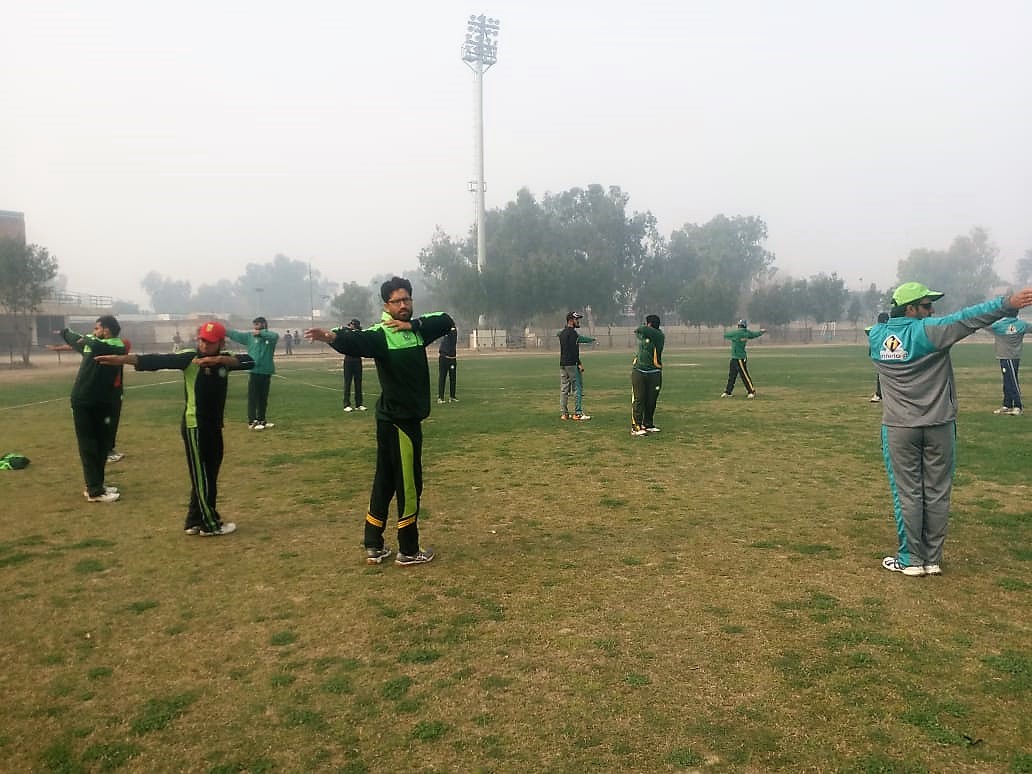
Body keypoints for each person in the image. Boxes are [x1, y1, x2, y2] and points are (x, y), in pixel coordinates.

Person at [869, 281, 1032, 577]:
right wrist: (1007, 303)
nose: (933, 310)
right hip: (939, 425)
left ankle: (912, 559)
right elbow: (969, 318)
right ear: (911, 309)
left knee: (907, 493)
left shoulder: (878, 336)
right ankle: (930, 559)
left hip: (898, 427)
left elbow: (879, 329)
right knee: (936, 492)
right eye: (927, 306)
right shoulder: (930, 331)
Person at [305, 276, 454, 567]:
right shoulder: (381, 333)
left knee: (385, 482)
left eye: (406, 300)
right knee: (409, 485)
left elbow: (446, 320)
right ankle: (408, 550)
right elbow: (355, 341)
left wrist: (415, 325)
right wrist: (331, 336)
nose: (403, 305)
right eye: (397, 301)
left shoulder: (417, 332)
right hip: (399, 423)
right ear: (386, 304)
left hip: (396, 420)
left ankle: (373, 543)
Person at [95, 321, 254, 536]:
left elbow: (250, 361)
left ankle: (193, 521)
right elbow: (157, 360)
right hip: (194, 426)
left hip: (214, 427)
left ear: (221, 343)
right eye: (202, 340)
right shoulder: (190, 358)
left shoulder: (222, 360)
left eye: (210, 342)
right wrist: (124, 360)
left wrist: (221, 360)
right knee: (202, 477)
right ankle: (209, 524)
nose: (205, 345)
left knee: (208, 475)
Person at [49, 316, 127, 502]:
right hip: (83, 401)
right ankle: (94, 491)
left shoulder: (116, 346)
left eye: (96, 328)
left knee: (101, 446)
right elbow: (76, 339)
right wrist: (64, 332)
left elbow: (99, 347)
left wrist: (90, 339)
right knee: (89, 446)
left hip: (101, 403)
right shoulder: (91, 343)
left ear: (106, 331)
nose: (93, 331)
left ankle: (96, 484)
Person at [227, 316, 279, 430]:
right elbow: (235, 334)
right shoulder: (249, 337)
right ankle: (252, 421)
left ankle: (262, 420)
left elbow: (275, 336)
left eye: (258, 324)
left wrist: (262, 333)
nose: (255, 327)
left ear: (264, 324)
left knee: (263, 398)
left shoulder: (270, 337)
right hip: (254, 370)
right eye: (254, 324)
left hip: (266, 371)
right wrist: (223, 330)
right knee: (253, 397)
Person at [989, 313, 1030, 416]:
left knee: (1012, 381)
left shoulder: (999, 325)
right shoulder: (1022, 324)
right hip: (1013, 356)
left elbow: (985, 325)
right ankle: (1007, 405)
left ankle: (1018, 406)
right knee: (1008, 380)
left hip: (1007, 356)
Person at [630, 314, 664, 436]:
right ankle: (636, 426)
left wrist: (642, 328)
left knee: (651, 400)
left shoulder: (659, 335)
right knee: (639, 399)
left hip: (654, 372)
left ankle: (648, 424)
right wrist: (640, 330)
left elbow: (641, 329)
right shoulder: (645, 335)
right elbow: (638, 331)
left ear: (650, 324)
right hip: (638, 371)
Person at [558, 312, 593, 420]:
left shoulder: (562, 333)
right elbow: (573, 351)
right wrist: (579, 363)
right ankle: (578, 413)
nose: (578, 321)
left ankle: (564, 413)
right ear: (571, 320)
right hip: (572, 364)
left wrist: (590, 340)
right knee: (577, 388)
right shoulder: (573, 334)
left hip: (563, 364)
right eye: (576, 319)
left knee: (564, 389)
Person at [721, 319, 766, 398]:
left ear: (739, 325)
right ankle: (728, 392)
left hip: (739, 358)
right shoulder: (747, 333)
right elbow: (754, 334)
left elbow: (726, 335)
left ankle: (751, 391)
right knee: (733, 376)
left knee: (743, 375)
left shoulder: (736, 333)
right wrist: (761, 332)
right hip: (737, 357)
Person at [340, 318, 366, 412]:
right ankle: (346, 404)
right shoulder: (347, 333)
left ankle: (359, 404)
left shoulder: (359, 334)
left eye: (352, 324)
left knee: (358, 383)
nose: (350, 325)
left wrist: (356, 330)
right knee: (347, 383)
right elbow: (343, 331)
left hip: (357, 361)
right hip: (348, 361)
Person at [865, 312, 890, 402]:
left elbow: (867, 329)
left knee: (880, 374)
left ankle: (879, 394)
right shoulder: (887, 328)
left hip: (875, 356)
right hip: (886, 355)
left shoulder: (873, 329)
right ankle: (880, 394)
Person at [437, 325, 458, 404]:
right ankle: (440, 397)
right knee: (442, 377)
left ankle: (452, 396)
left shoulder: (453, 331)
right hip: (443, 358)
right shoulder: (446, 332)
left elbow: (452, 332)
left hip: (452, 358)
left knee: (453, 378)